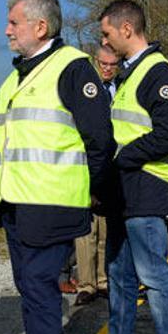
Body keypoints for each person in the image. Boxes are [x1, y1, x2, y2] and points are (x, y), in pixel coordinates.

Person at [0, 0, 113, 334]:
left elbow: (100, 140)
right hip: (17, 205)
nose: (6, 30)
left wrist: (87, 190)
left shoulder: (72, 68)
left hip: (52, 205)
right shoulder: (16, 75)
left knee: (41, 292)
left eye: (13, 22)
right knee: (30, 293)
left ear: (40, 27)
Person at [77, 0, 168, 334]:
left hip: (144, 186)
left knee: (154, 274)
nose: (105, 41)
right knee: (119, 272)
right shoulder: (131, 74)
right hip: (124, 190)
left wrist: (122, 158)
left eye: (107, 33)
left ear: (126, 29)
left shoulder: (155, 70)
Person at [64, 45, 119, 304]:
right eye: (103, 64)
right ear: (95, 61)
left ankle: (102, 280)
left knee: (105, 230)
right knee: (86, 232)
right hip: (86, 166)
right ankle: (86, 284)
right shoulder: (86, 89)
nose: (107, 69)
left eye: (112, 65)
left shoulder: (120, 90)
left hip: (111, 167)